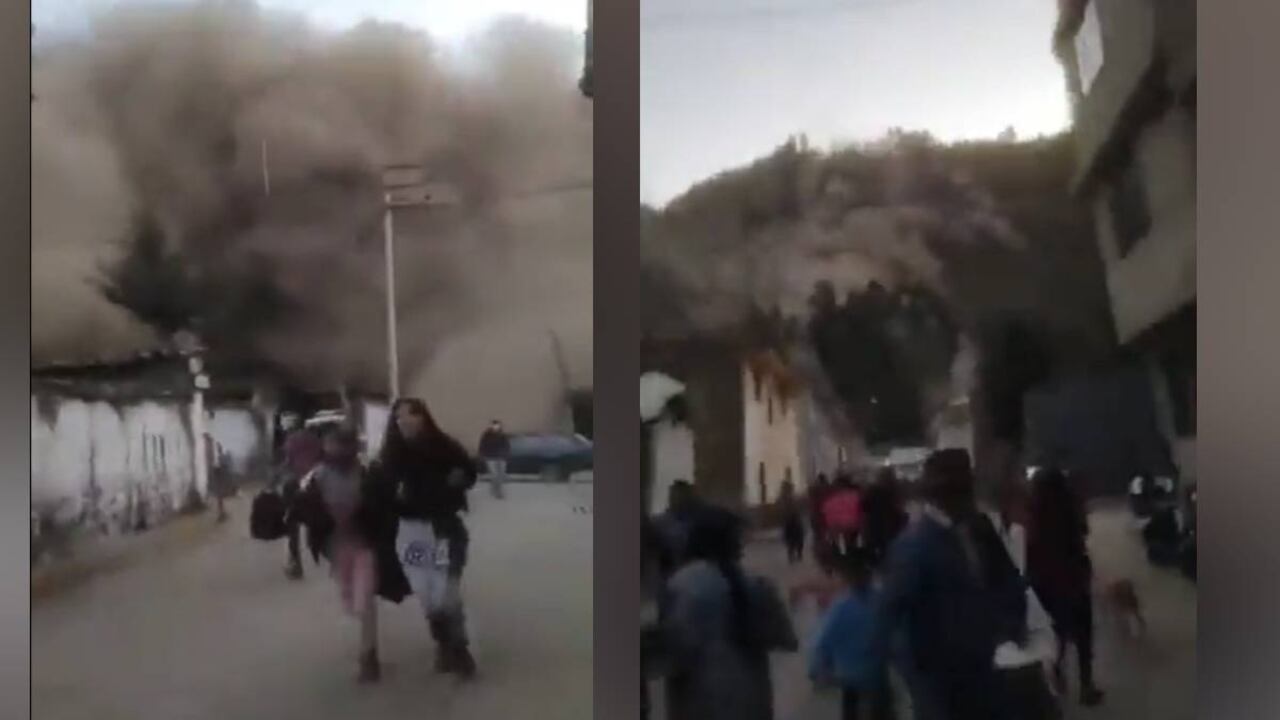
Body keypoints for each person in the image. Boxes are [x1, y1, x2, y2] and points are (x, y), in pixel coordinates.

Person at [871, 448, 1026, 720]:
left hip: (983, 665)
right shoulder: (915, 546)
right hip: (939, 679)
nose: (970, 499)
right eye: (962, 491)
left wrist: (1009, 625)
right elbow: (889, 614)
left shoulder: (977, 530)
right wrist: (914, 671)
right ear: (944, 496)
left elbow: (1007, 580)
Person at [294, 425, 411, 683]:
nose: (333, 450)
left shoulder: (368, 472)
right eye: (330, 445)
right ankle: (367, 650)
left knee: (365, 598)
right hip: (338, 546)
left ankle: (368, 656)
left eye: (338, 445)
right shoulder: (319, 475)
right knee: (353, 600)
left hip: (365, 544)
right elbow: (305, 508)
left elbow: (387, 507)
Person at [661, 511, 799, 720]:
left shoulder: (680, 586)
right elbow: (787, 640)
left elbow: (674, 651)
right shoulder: (757, 585)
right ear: (735, 545)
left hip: (698, 703)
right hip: (752, 700)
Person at [378, 397, 479, 679]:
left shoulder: (445, 447)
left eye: (410, 415)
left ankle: (460, 649)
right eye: (398, 418)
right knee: (427, 595)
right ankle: (443, 644)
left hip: (443, 531)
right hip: (413, 535)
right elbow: (379, 494)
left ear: (424, 417)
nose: (404, 422)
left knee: (447, 592)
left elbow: (469, 471)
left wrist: (460, 479)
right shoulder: (390, 457)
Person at [1026, 468, 1104, 707]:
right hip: (1073, 578)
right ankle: (1086, 686)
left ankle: (1056, 673)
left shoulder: (1032, 513)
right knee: (1082, 635)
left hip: (1044, 582)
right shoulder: (1069, 508)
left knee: (1055, 632)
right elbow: (1083, 531)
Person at [809, 547, 894, 720]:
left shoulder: (842, 607)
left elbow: (823, 640)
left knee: (852, 710)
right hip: (876, 675)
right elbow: (896, 634)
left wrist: (819, 668)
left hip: (851, 677)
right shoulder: (881, 600)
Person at [279, 412, 322, 580]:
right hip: (313, 482)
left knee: (292, 524)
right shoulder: (314, 439)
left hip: (295, 483)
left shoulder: (290, 441)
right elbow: (321, 459)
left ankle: (295, 563)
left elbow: (288, 462)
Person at [860, 467, 909, 573]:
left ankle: (879, 569)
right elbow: (902, 504)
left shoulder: (872, 490)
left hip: (875, 524)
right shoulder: (897, 488)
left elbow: (864, 506)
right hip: (894, 522)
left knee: (876, 547)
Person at [477, 419, 511, 499]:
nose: (496, 426)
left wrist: (506, 454)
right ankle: (498, 492)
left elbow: (507, 446)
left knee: (501, 475)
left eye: (497, 425)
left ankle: (494, 488)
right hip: (490, 457)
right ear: (491, 426)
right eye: (494, 425)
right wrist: (481, 455)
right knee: (494, 475)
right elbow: (482, 445)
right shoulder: (486, 435)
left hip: (501, 457)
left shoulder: (503, 435)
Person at [808, 473, 834, 567]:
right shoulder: (829, 489)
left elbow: (812, 504)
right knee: (828, 537)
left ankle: (822, 558)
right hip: (827, 517)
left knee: (819, 537)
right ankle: (828, 556)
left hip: (817, 517)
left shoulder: (814, 490)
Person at [778, 479, 806, 564]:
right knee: (795, 538)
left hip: (791, 519)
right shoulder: (787, 497)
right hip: (792, 519)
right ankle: (794, 554)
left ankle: (794, 554)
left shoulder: (787, 497)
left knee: (794, 538)